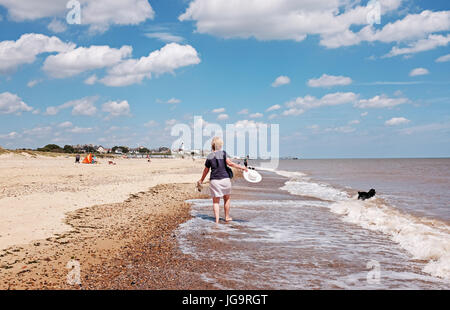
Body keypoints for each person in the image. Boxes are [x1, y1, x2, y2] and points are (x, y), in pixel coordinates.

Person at [198, 137, 248, 224]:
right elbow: (230, 163)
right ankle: (227, 217)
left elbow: (206, 170)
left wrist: (201, 180)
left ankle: (217, 220)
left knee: (216, 201)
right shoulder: (224, 153)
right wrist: (242, 168)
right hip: (225, 179)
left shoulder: (210, 156)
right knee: (227, 198)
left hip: (214, 180)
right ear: (220, 145)